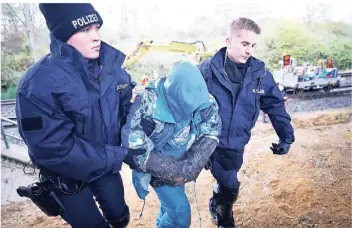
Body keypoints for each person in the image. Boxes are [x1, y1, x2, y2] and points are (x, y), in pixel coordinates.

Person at [15, 3, 145, 228]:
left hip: (105, 166)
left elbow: (125, 109)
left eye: (97, 28)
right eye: (85, 30)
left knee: (120, 215)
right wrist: (120, 154)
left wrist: (140, 123)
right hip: (64, 176)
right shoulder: (36, 84)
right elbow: (52, 148)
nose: (96, 37)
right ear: (64, 34)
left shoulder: (114, 71)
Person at [196, 18, 295, 227]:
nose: (249, 50)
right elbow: (183, 104)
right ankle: (225, 220)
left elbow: (275, 106)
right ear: (228, 41)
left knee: (226, 184)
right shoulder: (205, 72)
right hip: (210, 143)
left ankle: (217, 198)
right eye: (244, 44)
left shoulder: (260, 75)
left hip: (237, 144)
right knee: (231, 187)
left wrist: (286, 137)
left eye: (253, 45)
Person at [121, 61, 222, 228]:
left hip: (182, 158)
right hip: (156, 165)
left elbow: (211, 129)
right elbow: (135, 148)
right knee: (180, 215)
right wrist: (176, 170)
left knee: (169, 207)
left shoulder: (203, 99)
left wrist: (192, 163)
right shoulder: (146, 103)